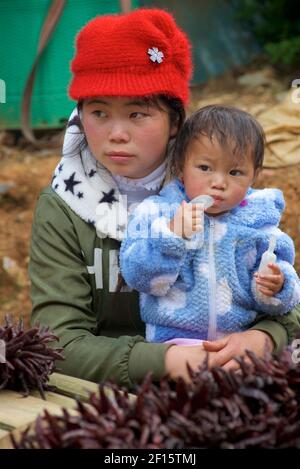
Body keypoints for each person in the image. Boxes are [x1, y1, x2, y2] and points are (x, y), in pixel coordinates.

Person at [29, 9, 300, 388]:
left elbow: (286, 300)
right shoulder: (64, 207)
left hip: (228, 376)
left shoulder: (218, 192)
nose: (117, 133)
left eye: (138, 113)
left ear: (175, 122)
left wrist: (263, 337)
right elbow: (59, 341)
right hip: (111, 396)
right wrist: (168, 359)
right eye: (99, 112)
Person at [120, 104, 300, 347]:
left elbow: (282, 290)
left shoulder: (259, 224)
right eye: (204, 168)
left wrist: (277, 286)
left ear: (254, 176)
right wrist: (172, 236)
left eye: (235, 172)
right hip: (173, 346)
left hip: (239, 345)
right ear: (181, 167)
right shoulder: (158, 213)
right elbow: (137, 276)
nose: (218, 182)